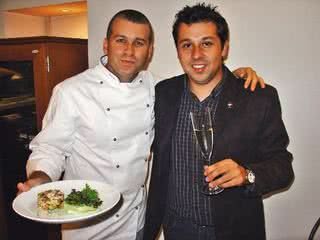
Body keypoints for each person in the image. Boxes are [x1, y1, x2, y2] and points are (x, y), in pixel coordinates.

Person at [17, 9, 265, 240]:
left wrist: (236, 77)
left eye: (139, 43)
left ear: (150, 51)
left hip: (135, 221)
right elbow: (50, 149)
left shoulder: (157, 89)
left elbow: (204, 77)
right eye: (120, 40)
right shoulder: (71, 91)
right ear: (106, 44)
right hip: (85, 223)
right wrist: (40, 177)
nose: (129, 51)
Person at [143, 3, 294, 240]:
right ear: (178, 51)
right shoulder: (163, 93)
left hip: (234, 231)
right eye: (187, 45)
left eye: (206, 43)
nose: (196, 55)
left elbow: (283, 166)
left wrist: (247, 175)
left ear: (224, 48)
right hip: (177, 230)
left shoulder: (257, 97)